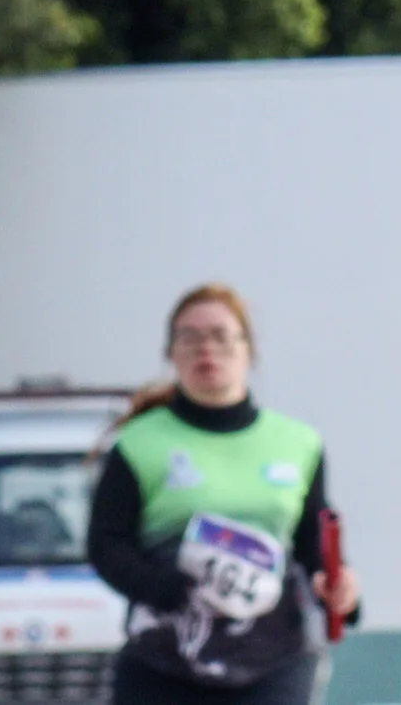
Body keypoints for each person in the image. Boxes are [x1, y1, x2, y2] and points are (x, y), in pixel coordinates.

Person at [86, 285, 359, 705]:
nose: (205, 349)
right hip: (165, 662)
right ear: (170, 353)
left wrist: (338, 584)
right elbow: (106, 543)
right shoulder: (138, 443)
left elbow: (314, 541)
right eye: (189, 337)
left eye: (220, 335)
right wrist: (158, 585)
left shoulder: (298, 442)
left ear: (248, 349)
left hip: (273, 659)